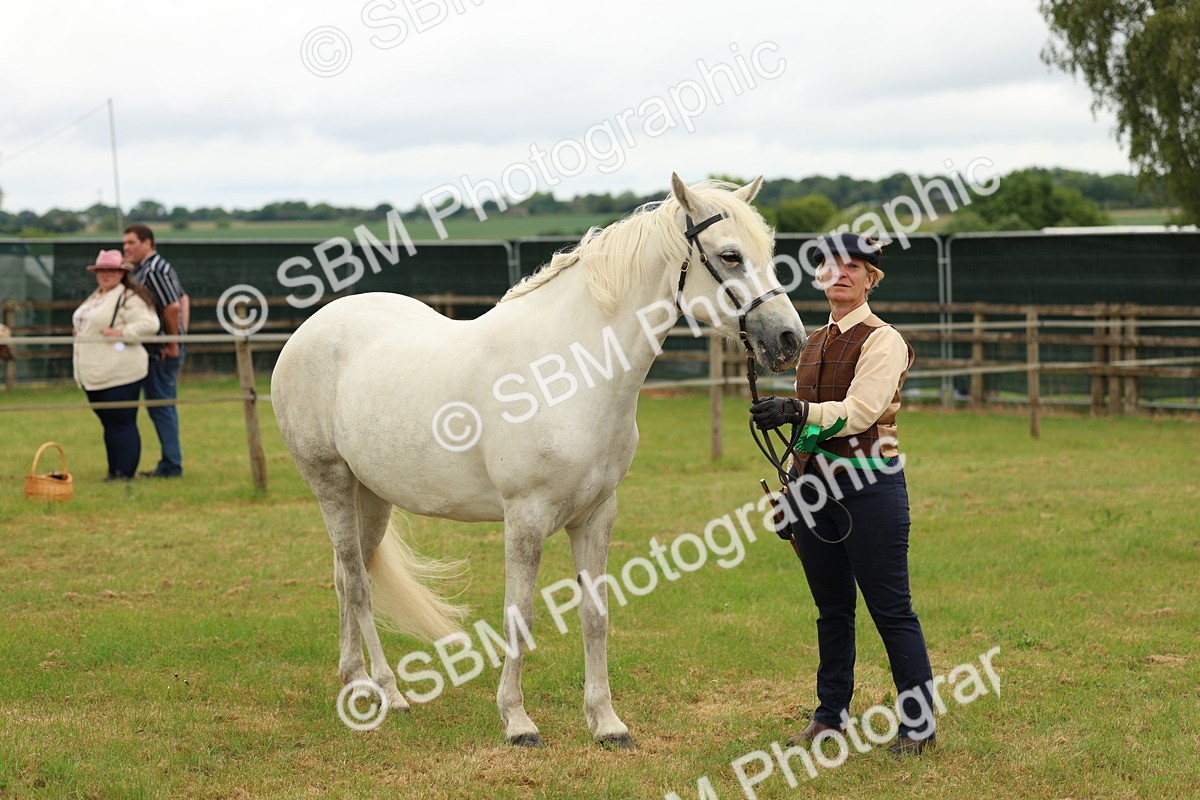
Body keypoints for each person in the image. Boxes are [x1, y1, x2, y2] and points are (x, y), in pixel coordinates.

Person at [750, 232, 936, 756]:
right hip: (814, 491)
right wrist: (791, 477)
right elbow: (811, 430)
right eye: (832, 265)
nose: (842, 273)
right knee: (832, 610)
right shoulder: (813, 342)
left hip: (869, 487)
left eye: (854, 267)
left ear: (870, 279)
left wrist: (796, 411)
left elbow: (861, 411)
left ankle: (918, 725)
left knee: (891, 609)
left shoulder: (883, 340)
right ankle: (830, 717)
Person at [72, 250, 161, 481]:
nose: (106, 275)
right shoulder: (97, 296)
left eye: (111, 271)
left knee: (122, 422)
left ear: (122, 273)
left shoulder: (129, 297)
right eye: (102, 271)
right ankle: (115, 471)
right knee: (109, 423)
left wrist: (121, 333)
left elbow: (150, 324)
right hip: (96, 371)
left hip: (121, 372)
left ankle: (125, 473)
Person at [123, 223, 189, 478]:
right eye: (125, 243)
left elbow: (173, 307)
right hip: (160, 349)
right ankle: (169, 462)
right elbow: (184, 300)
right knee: (161, 406)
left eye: (132, 242)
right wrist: (182, 335)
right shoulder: (153, 267)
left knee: (161, 407)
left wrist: (173, 342)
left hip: (162, 351)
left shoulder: (153, 270)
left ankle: (172, 465)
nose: (126, 247)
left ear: (148, 243)